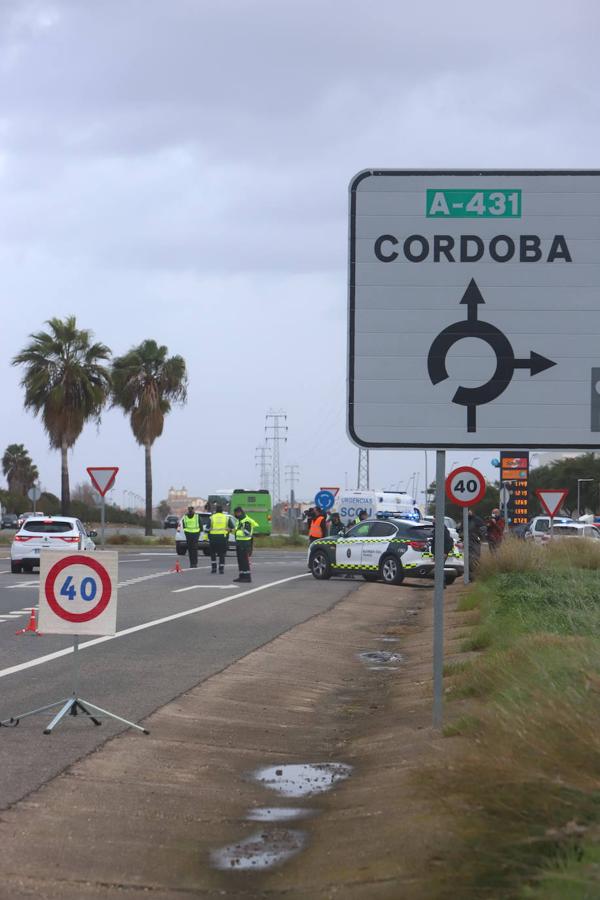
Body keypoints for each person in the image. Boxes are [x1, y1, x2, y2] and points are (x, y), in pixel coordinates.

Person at [232, 506, 259, 583]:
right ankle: (241, 576)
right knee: (240, 561)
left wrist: (236, 531)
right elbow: (238, 531)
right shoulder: (240, 521)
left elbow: (247, 533)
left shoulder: (247, 521)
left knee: (245, 562)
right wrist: (231, 530)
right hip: (239, 543)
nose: (235, 515)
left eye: (236, 513)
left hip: (245, 544)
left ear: (239, 512)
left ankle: (247, 577)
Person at [459, 509, 486, 579]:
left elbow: (483, 529)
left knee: (475, 558)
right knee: (468, 559)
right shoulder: (464, 520)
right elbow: (460, 530)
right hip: (467, 542)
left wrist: (479, 537)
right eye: (466, 511)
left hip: (475, 542)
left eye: (469, 511)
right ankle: (469, 576)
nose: (468, 512)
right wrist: (462, 537)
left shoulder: (477, 520)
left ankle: (476, 574)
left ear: (471, 511)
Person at [206, 503, 231, 574]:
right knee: (222, 554)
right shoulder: (226, 517)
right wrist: (229, 530)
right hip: (223, 538)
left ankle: (214, 569)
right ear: (222, 511)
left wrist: (210, 531)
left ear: (216, 510)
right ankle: (221, 569)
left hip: (213, 538)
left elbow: (207, 529)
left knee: (213, 554)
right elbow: (232, 528)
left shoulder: (212, 517)